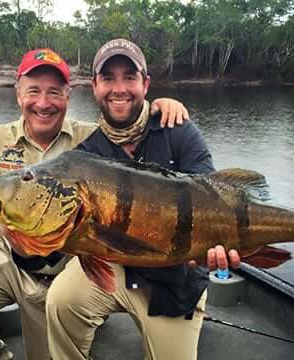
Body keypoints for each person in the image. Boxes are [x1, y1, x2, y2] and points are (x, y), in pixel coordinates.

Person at [0, 48, 189, 360]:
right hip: (7, 258)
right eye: (33, 90)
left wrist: (160, 107)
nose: (43, 102)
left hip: (68, 264)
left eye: (54, 92)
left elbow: (139, 148)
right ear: (17, 93)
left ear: (69, 94)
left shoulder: (91, 140)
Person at [45, 39, 241, 360]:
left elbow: (214, 196)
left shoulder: (178, 130)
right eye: (108, 78)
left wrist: (216, 245)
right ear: (94, 86)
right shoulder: (87, 154)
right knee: (60, 302)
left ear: (145, 84)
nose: (119, 88)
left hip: (176, 283)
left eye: (129, 77)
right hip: (118, 268)